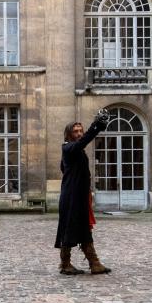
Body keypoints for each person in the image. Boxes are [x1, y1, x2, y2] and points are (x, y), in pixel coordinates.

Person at [54, 111, 111, 275]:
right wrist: (96, 126)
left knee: (84, 228)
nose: (79, 134)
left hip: (78, 195)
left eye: (80, 131)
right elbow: (82, 143)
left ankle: (94, 263)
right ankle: (66, 264)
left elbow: (65, 169)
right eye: (76, 132)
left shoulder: (76, 151)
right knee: (69, 228)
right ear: (69, 134)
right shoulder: (68, 147)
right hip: (71, 197)